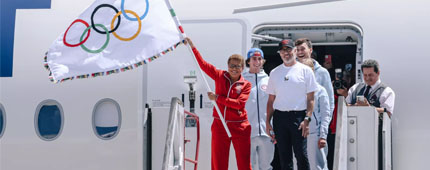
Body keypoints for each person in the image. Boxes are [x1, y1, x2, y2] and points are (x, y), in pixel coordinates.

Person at [185, 37, 252, 170]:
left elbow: (239, 104)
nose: (234, 69)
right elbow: (202, 64)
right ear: (228, 66)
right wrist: (192, 47)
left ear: (242, 68)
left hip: (240, 126)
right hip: (220, 124)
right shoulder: (220, 75)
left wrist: (217, 98)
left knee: (244, 162)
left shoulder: (246, 84)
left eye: (238, 66)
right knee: (218, 162)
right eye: (232, 66)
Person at [266, 39, 318, 170]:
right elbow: (271, 100)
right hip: (280, 118)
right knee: (284, 156)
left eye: (289, 50)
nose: (286, 53)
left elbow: (311, 98)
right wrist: (267, 122)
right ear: (279, 53)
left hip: (299, 117)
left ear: (295, 51)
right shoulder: (274, 73)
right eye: (283, 51)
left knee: (301, 155)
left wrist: (307, 118)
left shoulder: (306, 71)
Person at [345, 59, 395, 170]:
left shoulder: (387, 91)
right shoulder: (355, 88)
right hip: (356, 133)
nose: (367, 78)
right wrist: (357, 108)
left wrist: (368, 109)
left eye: (371, 75)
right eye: (365, 75)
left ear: (378, 73)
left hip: (377, 136)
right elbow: (345, 106)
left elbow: (388, 112)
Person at [243, 48, 274, 170]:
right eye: (254, 59)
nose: (257, 61)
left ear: (263, 61)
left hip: (267, 132)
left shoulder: (270, 80)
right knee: (249, 166)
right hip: (248, 132)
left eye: (259, 59)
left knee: (266, 166)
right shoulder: (242, 80)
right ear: (248, 61)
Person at [300, 58, 331, 170]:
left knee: (317, 166)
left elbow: (325, 115)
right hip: (298, 134)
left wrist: (323, 135)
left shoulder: (320, 90)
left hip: (314, 134)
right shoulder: (295, 90)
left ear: (312, 71)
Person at [295, 38, 334, 115]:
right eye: (297, 50)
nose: (300, 52)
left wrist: (325, 123)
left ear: (310, 50)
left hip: (316, 122)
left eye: (302, 49)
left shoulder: (322, 72)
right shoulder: (290, 72)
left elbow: (329, 101)